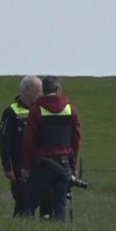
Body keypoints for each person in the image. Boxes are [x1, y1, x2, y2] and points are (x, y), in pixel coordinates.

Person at [20, 75, 81, 221]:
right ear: (58, 89)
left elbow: (28, 141)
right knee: (59, 205)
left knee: (29, 204)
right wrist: (73, 165)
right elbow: (76, 139)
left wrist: (26, 166)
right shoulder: (70, 110)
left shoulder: (36, 110)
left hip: (41, 165)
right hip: (64, 163)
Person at [0, 75, 49, 217]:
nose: (41, 94)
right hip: (19, 167)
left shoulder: (41, 110)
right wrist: (8, 168)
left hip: (39, 165)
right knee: (23, 205)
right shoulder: (11, 112)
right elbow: (4, 142)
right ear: (27, 91)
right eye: (38, 91)